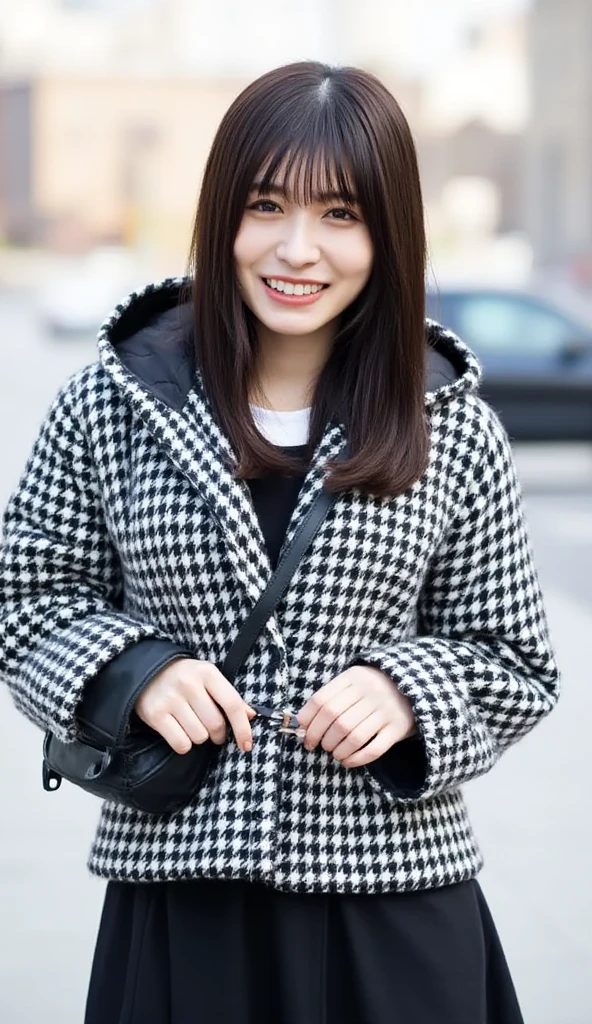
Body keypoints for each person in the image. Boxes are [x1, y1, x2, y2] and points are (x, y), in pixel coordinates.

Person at [0, 61, 560, 1024]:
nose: (298, 249)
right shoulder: (113, 399)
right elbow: (25, 597)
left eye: (341, 214)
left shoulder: (450, 424)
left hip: (393, 895)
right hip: (183, 897)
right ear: (223, 213)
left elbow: (518, 661)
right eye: (267, 205)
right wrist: (133, 670)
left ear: (389, 234)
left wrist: (407, 690)